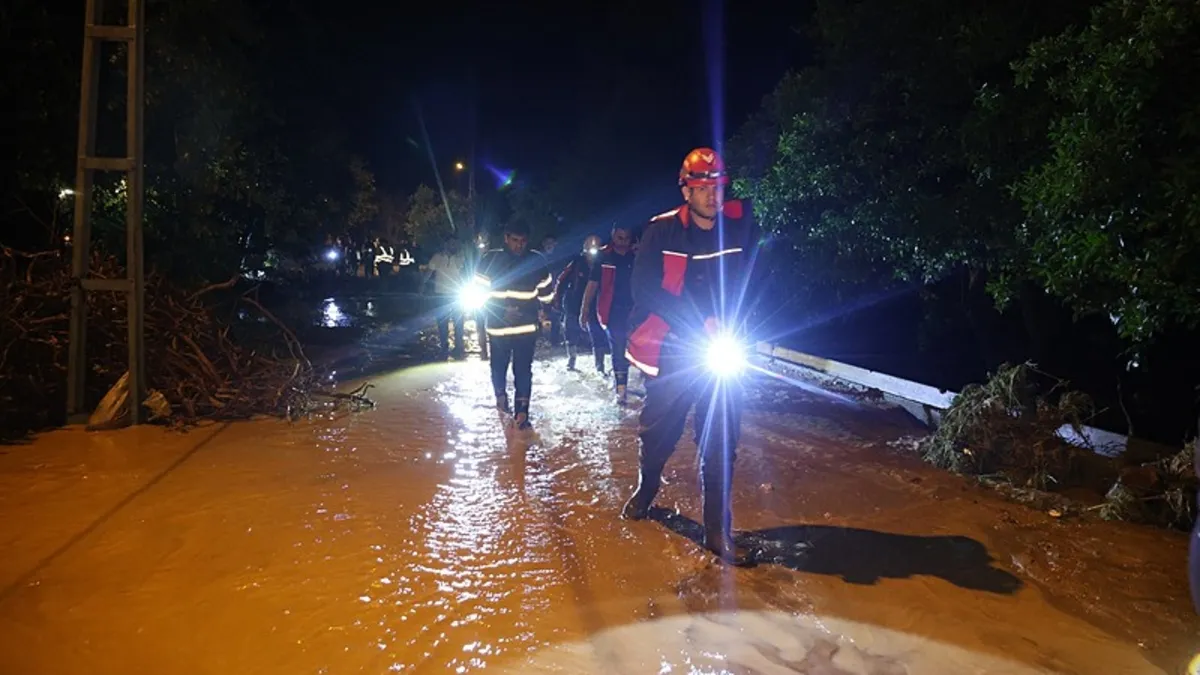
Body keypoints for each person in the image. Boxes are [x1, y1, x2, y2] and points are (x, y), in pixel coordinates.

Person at [621, 147, 762, 564]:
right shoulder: (661, 232)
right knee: (658, 431)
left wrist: (744, 322)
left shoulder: (739, 227)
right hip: (674, 348)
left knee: (721, 437)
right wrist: (697, 322)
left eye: (717, 186)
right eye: (701, 188)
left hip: (722, 350)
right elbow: (644, 290)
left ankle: (718, 530)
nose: (711, 196)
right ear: (685, 190)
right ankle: (647, 488)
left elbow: (755, 278)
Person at [474, 220, 555, 429]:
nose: (519, 245)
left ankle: (522, 412)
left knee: (523, 370)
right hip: (498, 328)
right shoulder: (488, 261)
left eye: (523, 241)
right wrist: (502, 312)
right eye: (515, 240)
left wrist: (546, 315)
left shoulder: (536, 261)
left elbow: (547, 294)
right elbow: (478, 297)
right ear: (506, 239)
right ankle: (501, 399)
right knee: (498, 367)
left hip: (525, 329)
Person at [580, 224, 636, 404]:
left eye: (626, 238)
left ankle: (632, 379)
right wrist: (585, 309)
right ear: (613, 236)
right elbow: (592, 284)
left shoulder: (636, 255)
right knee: (618, 347)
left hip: (635, 310)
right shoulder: (604, 257)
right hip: (611, 310)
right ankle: (621, 388)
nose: (623, 243)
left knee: (636, 346)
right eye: (620, 238)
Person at [553, 235, 606, 372]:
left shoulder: (603, 263)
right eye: (591, 247)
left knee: (596, 332)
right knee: (571, 330)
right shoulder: (577, 263)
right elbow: (561, 281)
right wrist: (557, 299)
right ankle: (572, 358)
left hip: (595, 302)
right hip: (574, 302)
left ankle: (599, 364)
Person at [425, 239, 468, 359]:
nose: (453, 245)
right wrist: (422, 284)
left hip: (456, 295)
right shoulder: (437, 257)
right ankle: (444, 347)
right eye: (451, 243)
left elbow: (466, 273)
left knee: (458, 322)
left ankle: (458, 347)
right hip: (441, 295)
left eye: (455, 243)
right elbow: (429, 271)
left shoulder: (461, 258)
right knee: (442, 322)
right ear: (446, 244)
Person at [538, 235, 564, 346]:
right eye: (547, 243)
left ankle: (554, 339)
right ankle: (538, 337)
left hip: (555, 287)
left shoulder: (559, 257)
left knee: (555, 314)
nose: (549, 246)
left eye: (551, 243)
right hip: (541, 289)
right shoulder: (539, 258)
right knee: (539, 312)